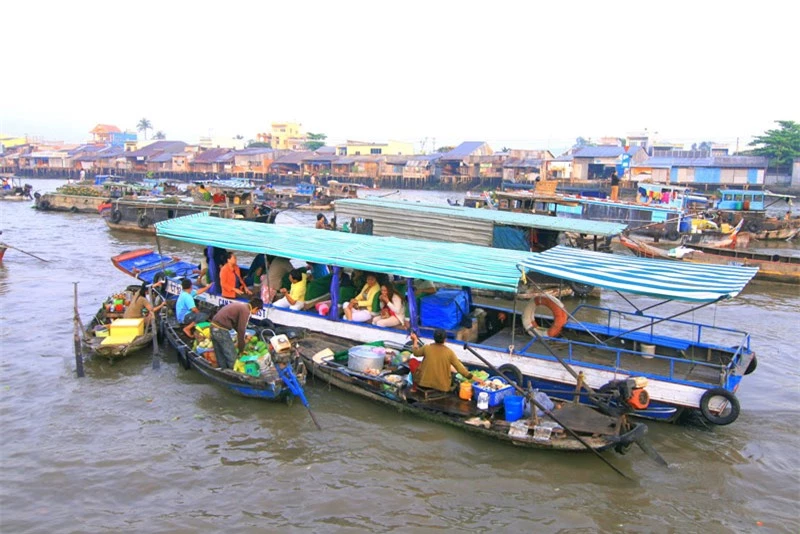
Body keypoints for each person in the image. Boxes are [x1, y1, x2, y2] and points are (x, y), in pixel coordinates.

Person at [209, 297, 263, 369]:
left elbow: (236, 325)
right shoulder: (246, 311)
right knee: (232, 356)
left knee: (220, 354)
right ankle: (233, 375)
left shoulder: (241, 306)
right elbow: (241, 330)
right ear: (256, 308)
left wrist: (245, 336)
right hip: (221, 330)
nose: (255, 313)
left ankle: (223, 371)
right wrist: (241, 349)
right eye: (257, 311)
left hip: (213, 327)